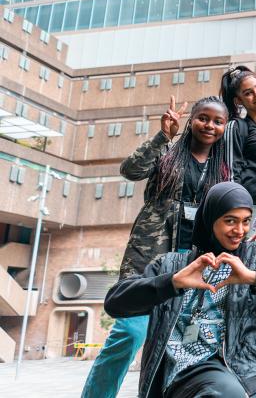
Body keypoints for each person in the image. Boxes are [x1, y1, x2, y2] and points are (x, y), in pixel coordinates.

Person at [104, 181, 256, 398]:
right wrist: (173, 283)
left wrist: (253, 277)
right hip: (192, 368)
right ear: (210, 219)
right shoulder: (172, 264)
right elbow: (115, 303)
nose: (239, 231)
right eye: (230, 221)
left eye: (246, 221)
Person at [81, 96, 230, 398]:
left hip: (192, 267)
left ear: (225, 128)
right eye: (203, 118)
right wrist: (164, 135)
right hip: (148, 259)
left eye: (217, 121)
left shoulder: (223, 171)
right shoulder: (168, 151)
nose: (209, 125)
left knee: (173, 346)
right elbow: (130, 170)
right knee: (129, 334)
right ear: (192, 120)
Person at [220, 66, 256, 225]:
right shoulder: (236, 126)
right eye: (248, 93)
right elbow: (231, 172)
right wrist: (238, 212)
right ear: (238, 100)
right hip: (253, 208)